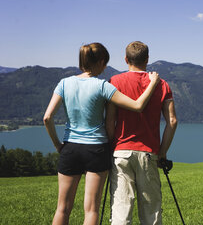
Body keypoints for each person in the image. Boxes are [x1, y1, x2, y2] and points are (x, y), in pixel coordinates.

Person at [43, 42, 160, 225]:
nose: (105, 68)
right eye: (105, 64)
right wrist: (152, 83)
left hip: (70, 148)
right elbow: (137, 106)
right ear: (101, 61)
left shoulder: (64, 83)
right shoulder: (102, 86)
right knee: (91, 210)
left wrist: (58, 145)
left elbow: (47, 118)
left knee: (62, 208)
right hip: (96, 150)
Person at [106, 41, 178, 225]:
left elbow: (110, 121)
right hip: (148, 153)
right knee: (151, 213)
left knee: (121, 212)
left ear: (125, 59)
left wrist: (111, 146)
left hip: (121, 152)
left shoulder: (114, 82)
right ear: (147, 60)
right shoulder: (162, 85)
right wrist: (162, 152)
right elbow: (172, 121)